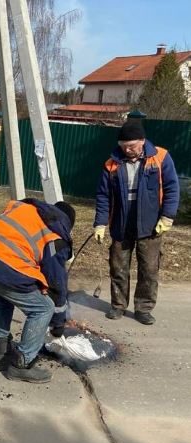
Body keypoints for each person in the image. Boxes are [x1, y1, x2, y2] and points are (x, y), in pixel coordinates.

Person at [0, 198, 75, 383]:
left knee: (3, 295)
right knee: (43, 308)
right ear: (68, 224)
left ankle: (1, 352)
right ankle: (22, 364)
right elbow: (57, 283)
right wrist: (58, 321)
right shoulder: (57, 235)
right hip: (1, 265)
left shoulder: (28, 211)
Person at [93, 121, 179, 325]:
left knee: (149, 269)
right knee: (118, 268)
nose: (128, 150)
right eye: (124, 146)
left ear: (142, 141)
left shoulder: (160, 157)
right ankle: (118, 306)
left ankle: (143, 308)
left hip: (150, 225)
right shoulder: (111, 164)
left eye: (132, 146)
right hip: (121, 225)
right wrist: (100, 224)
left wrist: (167, 217)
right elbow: (103, 196)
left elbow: (172, 188)